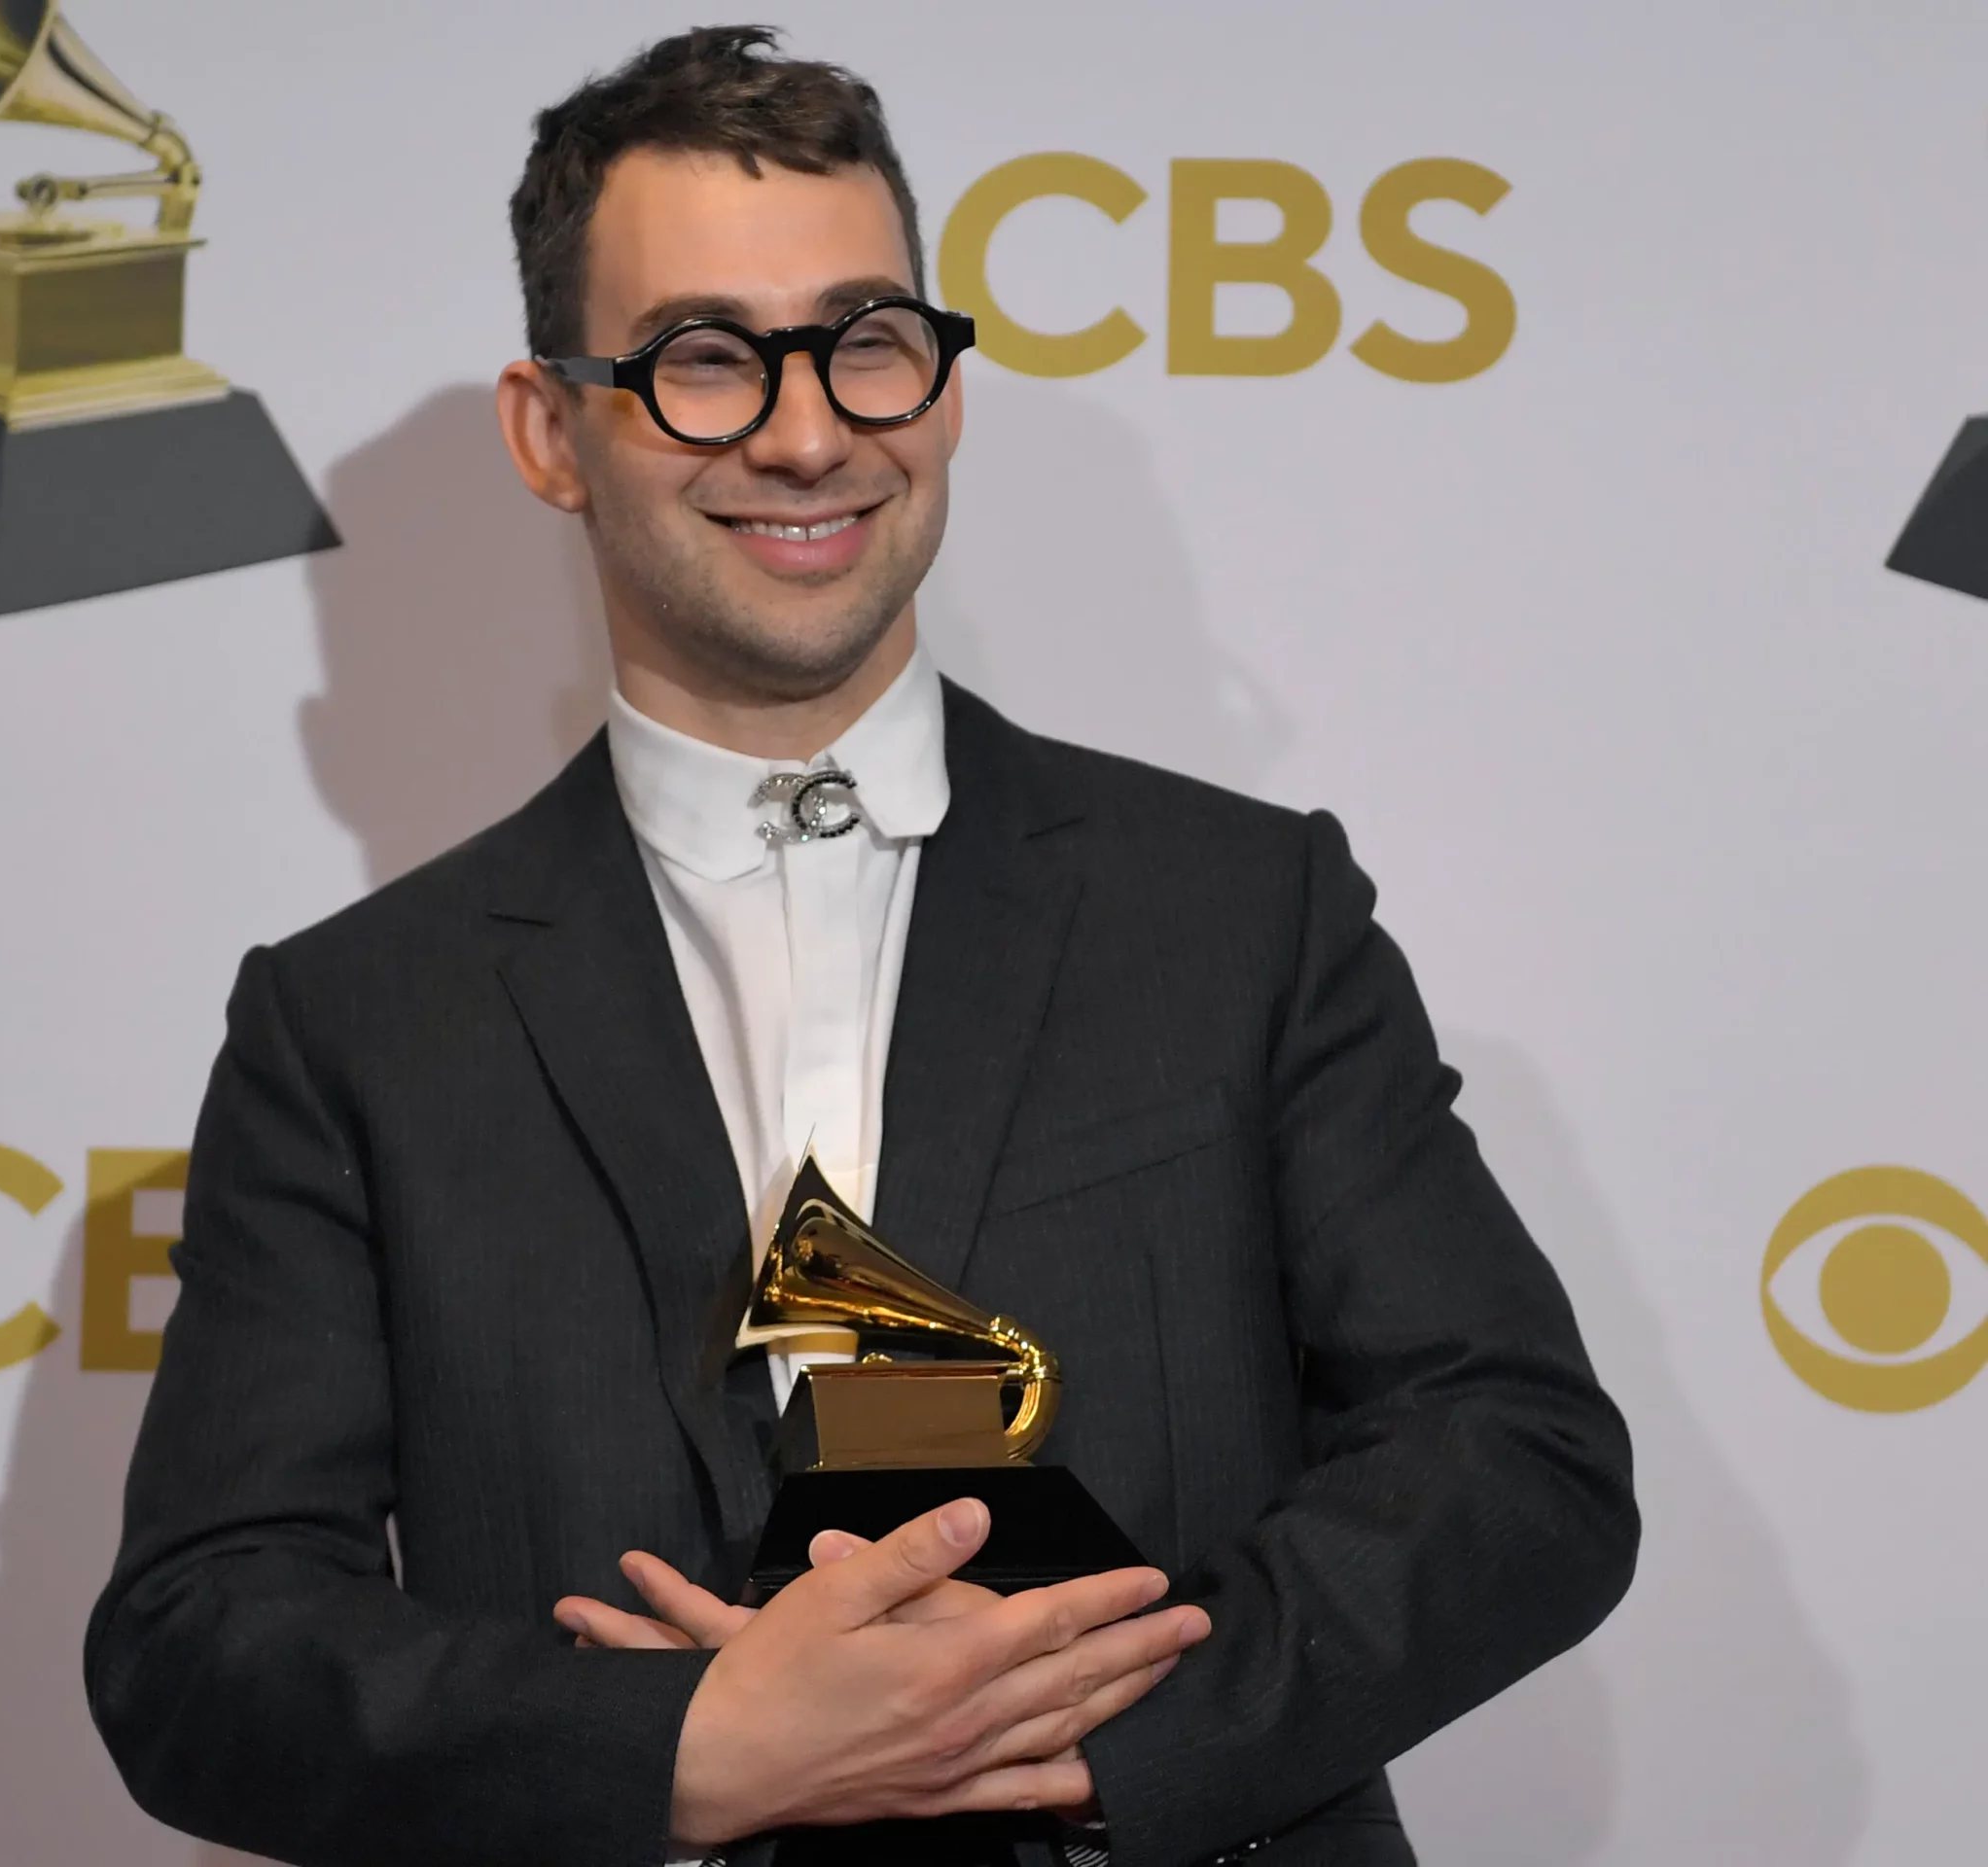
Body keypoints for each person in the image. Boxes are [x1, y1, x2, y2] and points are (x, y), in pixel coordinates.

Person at [85, 26, 1639, 1867]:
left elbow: (1517, 1458)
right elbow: (203, 1644)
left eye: (867, 343)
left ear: (945, 386)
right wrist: (687, 1750)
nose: (810, 430)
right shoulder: (352, 1021)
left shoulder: (1242, 910)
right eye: (707, 362)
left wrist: (1059, 1731)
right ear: (551, 430)